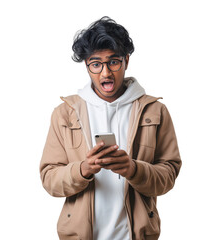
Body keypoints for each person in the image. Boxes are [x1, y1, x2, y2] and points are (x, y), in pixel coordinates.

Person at [40, 16, 182, 240]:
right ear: (87, 67)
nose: (105, 73)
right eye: (96, 64)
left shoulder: (155, 111)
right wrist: (83, 169)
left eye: (113, 62)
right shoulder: (64, 113)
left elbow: (169, 175)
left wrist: (133, 169)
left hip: (137, 235)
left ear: (126, 60)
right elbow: (50, 180)